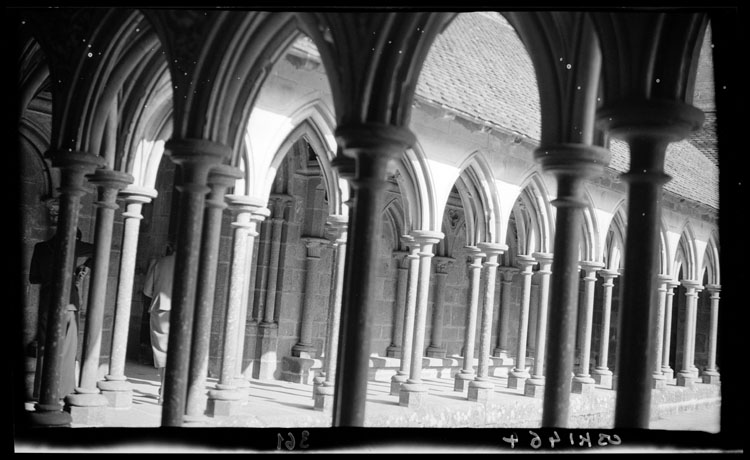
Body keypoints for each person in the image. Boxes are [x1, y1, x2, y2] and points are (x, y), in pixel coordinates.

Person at [29, 227, 94, 401]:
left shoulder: (40, 247)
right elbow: (99, 250)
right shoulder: (74, 245)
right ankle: (61, 391)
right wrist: (83, 268)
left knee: (45, 348)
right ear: (77, 238)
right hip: (68, 304)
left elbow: (33, 278)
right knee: (67, 350)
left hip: (47, 304)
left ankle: (42, 391)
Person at [143, 243, 175, 404]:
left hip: (161, 308)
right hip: (185, 312)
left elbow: (147, 290)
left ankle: (164, 390)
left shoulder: (160, 263)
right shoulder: (194, 264)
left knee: (163, 351)